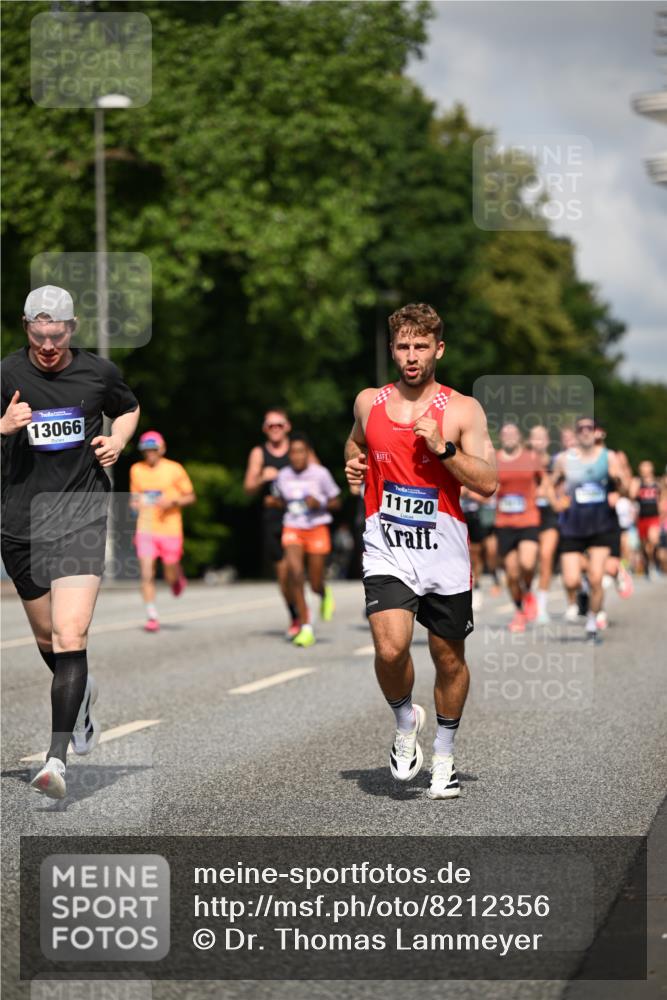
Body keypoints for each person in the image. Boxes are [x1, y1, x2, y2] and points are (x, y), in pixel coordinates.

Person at [344, 303, 496, 800]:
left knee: (447, 659)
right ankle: (406, 721)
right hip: (386, 546)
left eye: (421, 347)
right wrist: (354, 465)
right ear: (393, 349)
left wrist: (445, 451)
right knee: (390, 649)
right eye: (403, 346)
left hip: (444, 551)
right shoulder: (369, 402)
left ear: (439, 349)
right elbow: (354, 446)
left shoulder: (462, 410)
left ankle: (445, 756)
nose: (411, 356)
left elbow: (489, 482)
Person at [1, 285, 139, 798]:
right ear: (25, 328)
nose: (47, 347)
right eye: (38, 337)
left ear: (72, 330)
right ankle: (80, 696)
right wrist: (3, 425)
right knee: (47, 641)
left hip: (80, 514)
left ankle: (56, 759)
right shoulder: (7, 374)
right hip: (19, 523)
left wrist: (118, 440)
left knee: (69, 635)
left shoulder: (98, 374)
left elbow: (127, 407)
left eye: (56, 337)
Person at [552, 417, 628, 641]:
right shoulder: (565, 459)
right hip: (573, 526)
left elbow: (624, 485)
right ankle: (583, 587)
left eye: (590, 428)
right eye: (581, 428)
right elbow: (550, 483)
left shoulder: (609, 457)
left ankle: (593, 621)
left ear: (596, 433)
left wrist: (618, 486)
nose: (585, 432)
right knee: (570, 580)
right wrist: (557, 500)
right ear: (576, 434)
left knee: (596, 578)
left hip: (601, 526)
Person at [268, 434, 340, 647]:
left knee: (315, 581)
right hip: (293, 527)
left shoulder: (321, 474)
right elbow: (283, 501)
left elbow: (336, 502)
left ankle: (323, 592)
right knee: (295, 573)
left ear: (308, 454)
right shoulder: (283, 475)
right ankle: (306, 627)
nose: (297, 456)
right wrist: (275, 502)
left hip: (317, 528)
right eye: (293, 452)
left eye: (301, 452)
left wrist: (319, 503)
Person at [129, 431, 196, 632]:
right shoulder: (136, 469)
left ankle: (177, 577)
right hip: (146, 527)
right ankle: (151, 616)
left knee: (169, 573)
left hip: (170, 528)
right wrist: (136, 504)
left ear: (162, 449)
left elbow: (191, 497)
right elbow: (134, 499)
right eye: (146, 450)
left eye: (154, 449)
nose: (150, 453)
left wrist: (173, 501)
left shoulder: (174, 469)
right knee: (147, 573)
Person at [244, 409, 300, 637]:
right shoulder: (259, 453)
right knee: (283, 575)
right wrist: (261, 478)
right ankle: (295, 614)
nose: (275, 428)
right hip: (273, 520)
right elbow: (247, 489)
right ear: (265, 429)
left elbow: (317, 475)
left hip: (299, 519)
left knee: (296, 570)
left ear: (287, 427)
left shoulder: (298, 449)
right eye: (270, 426)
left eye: (279, 424)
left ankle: (306, 612)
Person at [495, 423, 543, 632]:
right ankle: (519, 610)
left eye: (513, 433)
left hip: (528, 519)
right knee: (512, 574)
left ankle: (529, 591)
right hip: (504, 522)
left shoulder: (531, 458)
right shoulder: (493, 459)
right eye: (505, 434)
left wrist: (546, 495)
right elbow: (487, 484)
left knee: (528, 562)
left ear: (519, 437)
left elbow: (544, 481)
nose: (509, 437)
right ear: (500, 438)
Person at [528, 425, 559, 625]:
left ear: (547, 441)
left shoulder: (556, 462)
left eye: (542, 437)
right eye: (535, 437)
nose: (538, 441)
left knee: (546, 558)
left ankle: (542, 607)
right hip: (527, 517)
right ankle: (528, 597)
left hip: (548, 515)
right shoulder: (522, 461)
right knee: (528, 563)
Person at [631, 461, 662, 578]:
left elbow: (661, 499)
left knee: (653, 541)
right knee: (645, 545)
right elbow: (632, 496)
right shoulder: (638, 482)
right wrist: (637, 484)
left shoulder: (657, 483)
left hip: (654, 517)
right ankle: (648, 564)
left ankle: (654, 563)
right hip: (642, 517)